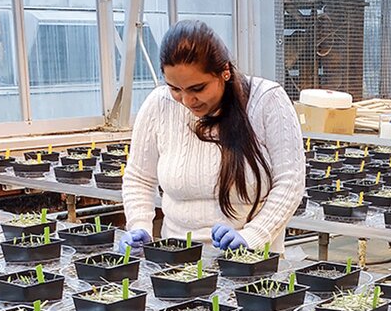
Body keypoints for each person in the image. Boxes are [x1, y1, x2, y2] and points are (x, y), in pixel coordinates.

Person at [117, 20, 305, 255]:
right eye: (175, 88)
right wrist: (139, 226)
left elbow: (290, 182)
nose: (187, 101)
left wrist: (252, 236)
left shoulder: (266, 101)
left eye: (197, 88)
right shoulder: (159, 104)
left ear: (224, 72)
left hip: (252, 263)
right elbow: (139, 178)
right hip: (177, 260)